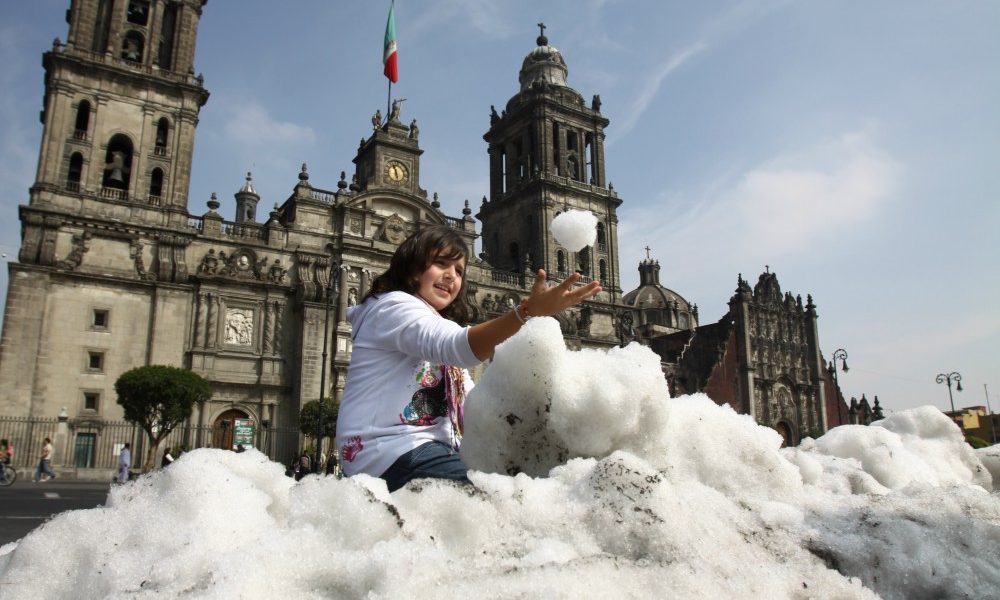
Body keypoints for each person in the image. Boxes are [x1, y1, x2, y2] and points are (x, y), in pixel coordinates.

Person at [334, 225, 601, 492]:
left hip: (430, 451)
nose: (451, 275)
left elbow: (473, 405)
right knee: (495, 500)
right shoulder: (392, 306)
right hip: (389, 450)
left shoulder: (436, 326)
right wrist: (526, 312)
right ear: (413, 267)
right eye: (441, 263)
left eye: (459, 271)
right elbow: (459, 346)